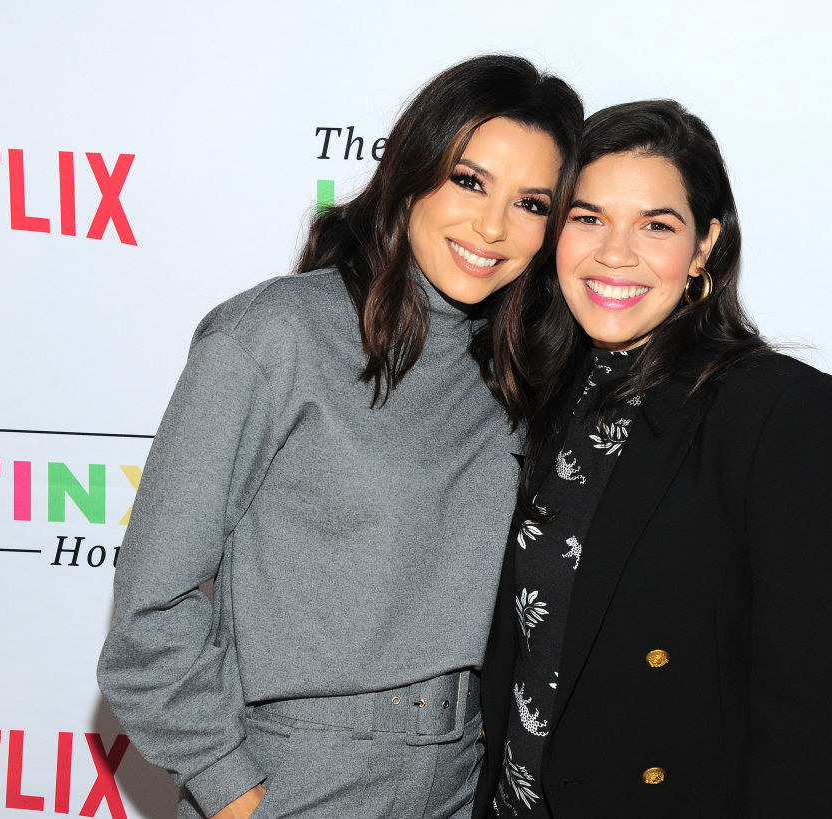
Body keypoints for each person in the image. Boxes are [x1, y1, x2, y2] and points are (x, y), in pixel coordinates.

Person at [98, 55, 582, 819]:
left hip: (464, 773)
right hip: (299, 774)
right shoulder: (273, 335)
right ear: (414, 170)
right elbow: (152, 605)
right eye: (469, 180)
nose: (492, 226)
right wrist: (232, 788)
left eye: (530, 202)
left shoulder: (522, 366)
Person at [474, 100, 832, 818]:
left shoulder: (779, 412)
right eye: (587, 217)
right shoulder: (530, 389)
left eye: (656, 225)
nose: (615, 253)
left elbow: (812, 717)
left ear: (704, 245)